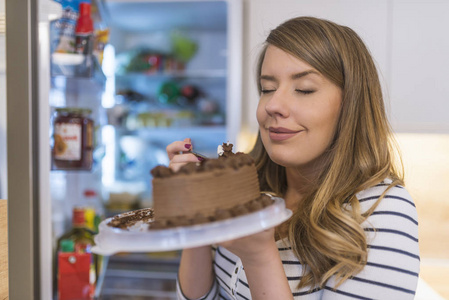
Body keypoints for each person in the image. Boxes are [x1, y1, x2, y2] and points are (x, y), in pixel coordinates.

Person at [166, 16, 420, 299]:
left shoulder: (381, 212)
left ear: (351, 104)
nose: (273, 105)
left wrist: (260, 256)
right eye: (267, 88)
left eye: (304, 90)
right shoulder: (250, 187)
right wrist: (195, 219)